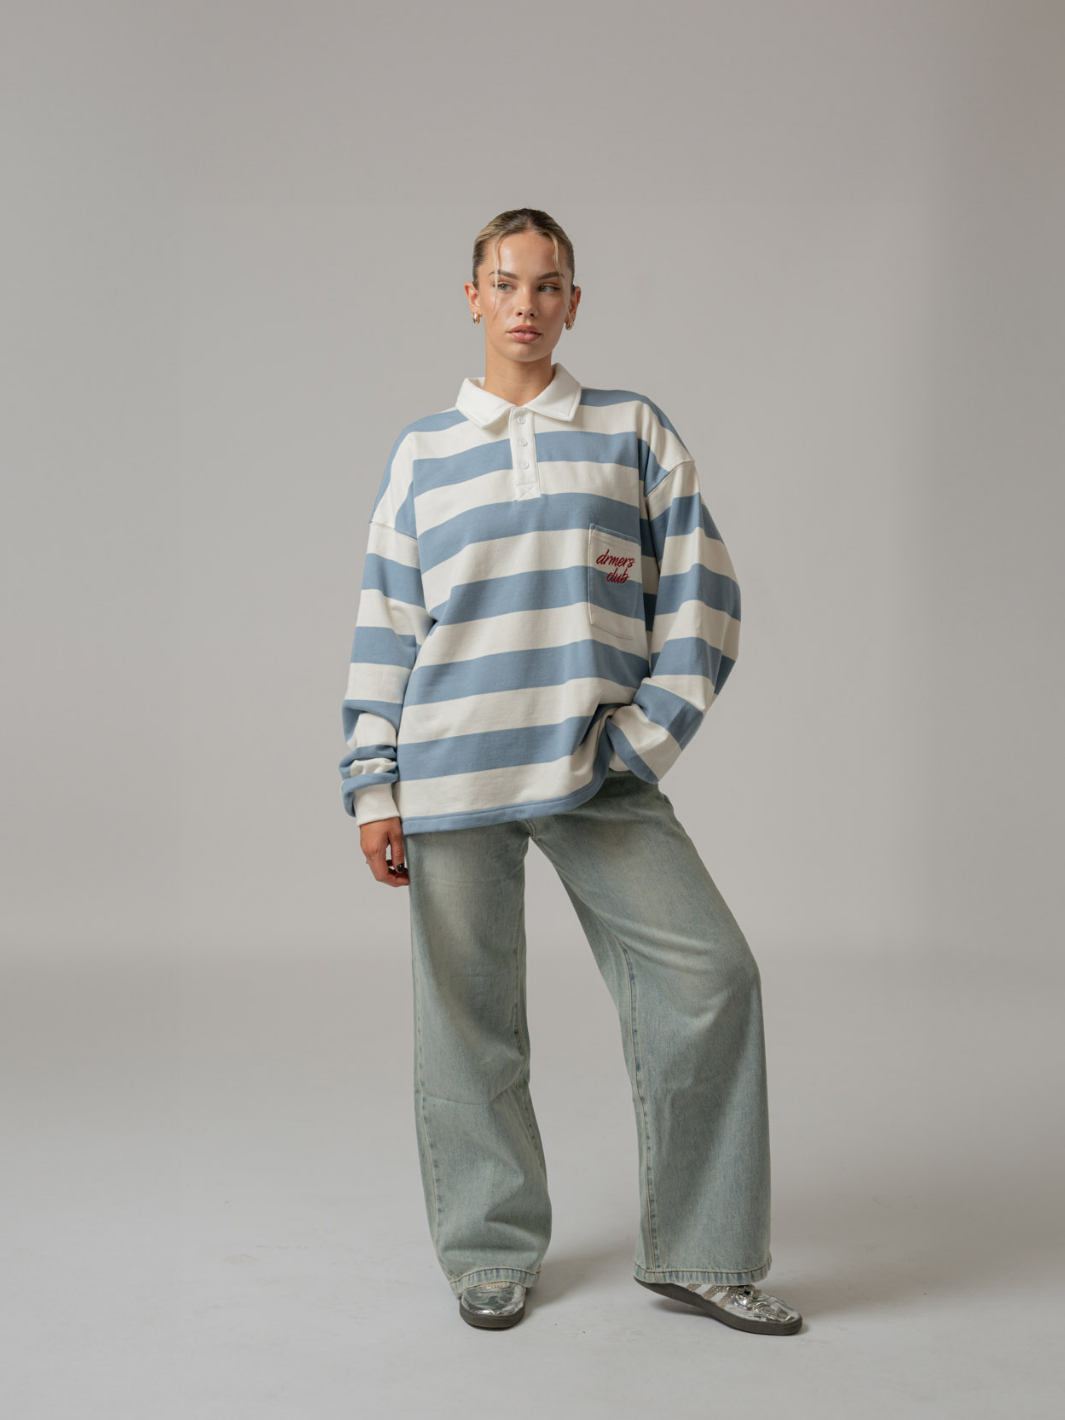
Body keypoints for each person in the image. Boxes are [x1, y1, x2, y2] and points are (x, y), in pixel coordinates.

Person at [338, 208, 802, 1336]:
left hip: (598, 772)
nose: (526, 306)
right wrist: (374, 783)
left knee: (712, 978)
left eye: (547, 286)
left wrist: (639, 742)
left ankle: (701, 1251)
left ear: (573, 302)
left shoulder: (629, 430)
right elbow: (386, 624)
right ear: (473, 297)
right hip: (450, 776)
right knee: (469, 1027)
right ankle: (489, 1251)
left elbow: (705, 598)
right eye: (506, 283)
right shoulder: (422, 454)